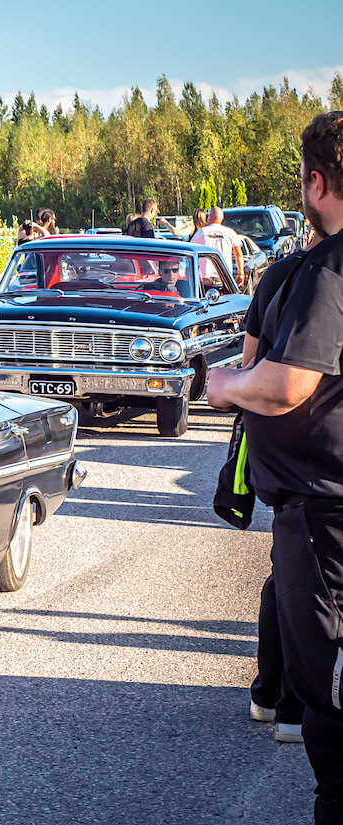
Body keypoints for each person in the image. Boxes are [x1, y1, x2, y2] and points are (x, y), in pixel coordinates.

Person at [206, 110, 343, 824]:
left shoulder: (323, 273)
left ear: (316, 182)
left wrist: (225, 385)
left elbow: (287, 384)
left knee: (331, 704)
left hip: (324, 516)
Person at [240, 228, 324, 746]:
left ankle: (269, 695)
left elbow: (250, 361)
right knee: (307, 585)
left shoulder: (277, 275)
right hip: (320, 456)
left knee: (284, 574)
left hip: (280, 450)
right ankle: (292, 706)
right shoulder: (324, 279)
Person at [191, 207, 245, 286]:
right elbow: (239, 255)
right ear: (222, 219)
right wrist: (240, 273)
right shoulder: (230, 233)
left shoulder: (201, 232)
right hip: (224, 276)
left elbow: (191, 251)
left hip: (204, 277)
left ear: (210, 217)